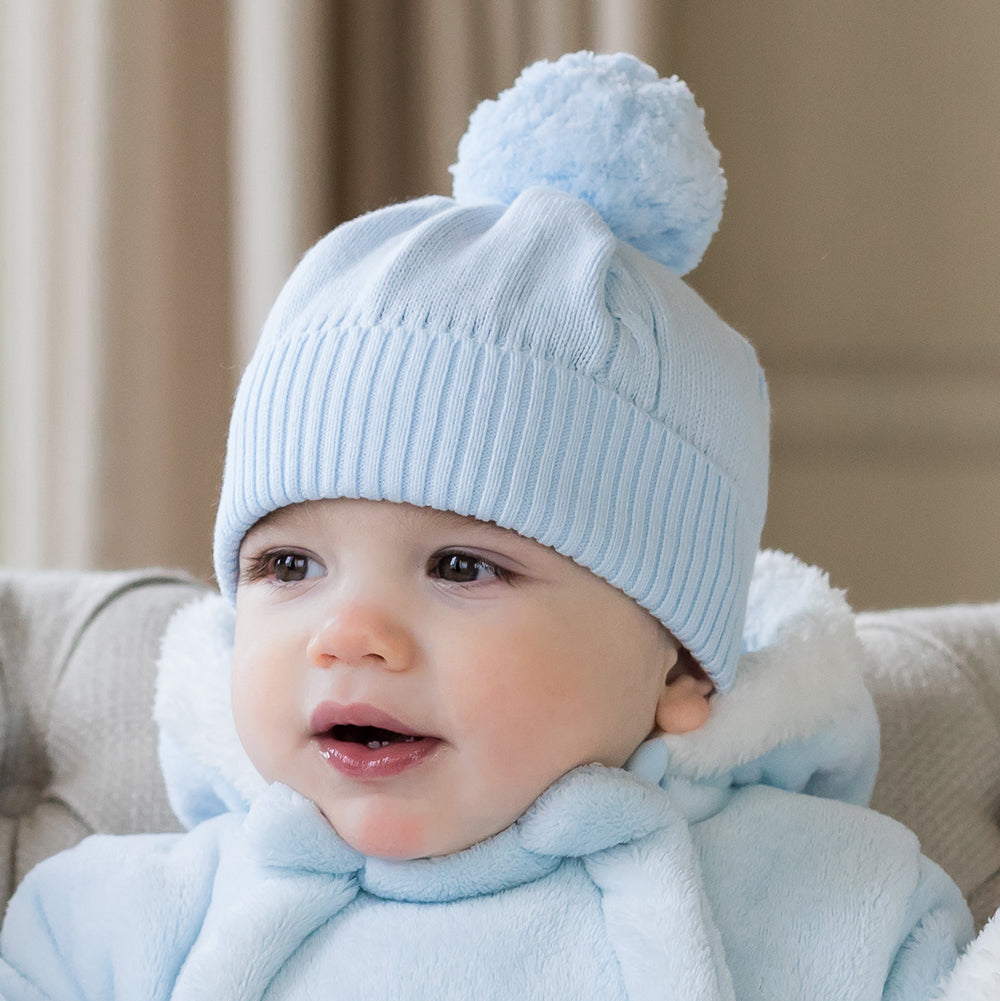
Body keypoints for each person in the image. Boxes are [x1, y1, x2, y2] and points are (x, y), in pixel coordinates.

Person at [0, 51, 974, 1000]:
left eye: (461, 566)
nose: (349, 633)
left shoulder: (832, 909)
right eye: (290, 563)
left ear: (679, 664)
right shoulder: (111, 928)